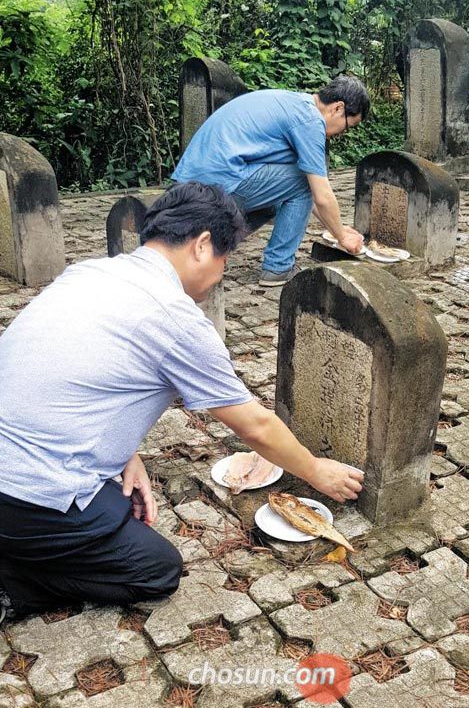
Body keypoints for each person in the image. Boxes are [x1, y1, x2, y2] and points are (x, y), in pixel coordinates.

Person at [0, 181, 364, 621]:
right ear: (202, 245)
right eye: (225, 259)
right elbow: (254, 425)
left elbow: (69, 378)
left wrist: (123, 452)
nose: (222, 272)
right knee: (156, 570)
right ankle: (11, 585)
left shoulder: (90, 272)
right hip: (25, 493)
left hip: (15, 469)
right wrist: (315, 470)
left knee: (118, 504)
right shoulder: (174, 316)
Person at [172, 74, 370, 286]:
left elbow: (302, 198)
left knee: (273, 203)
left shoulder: (295, 104)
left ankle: (214, 246)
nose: (344, 133)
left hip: (192, 186)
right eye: (349, 126)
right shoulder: (310, 121)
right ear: (338, 108)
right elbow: (319, 194)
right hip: (217, 184)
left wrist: (336, 228)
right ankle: (279, 267)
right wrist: (342, 237)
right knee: (303, 180)